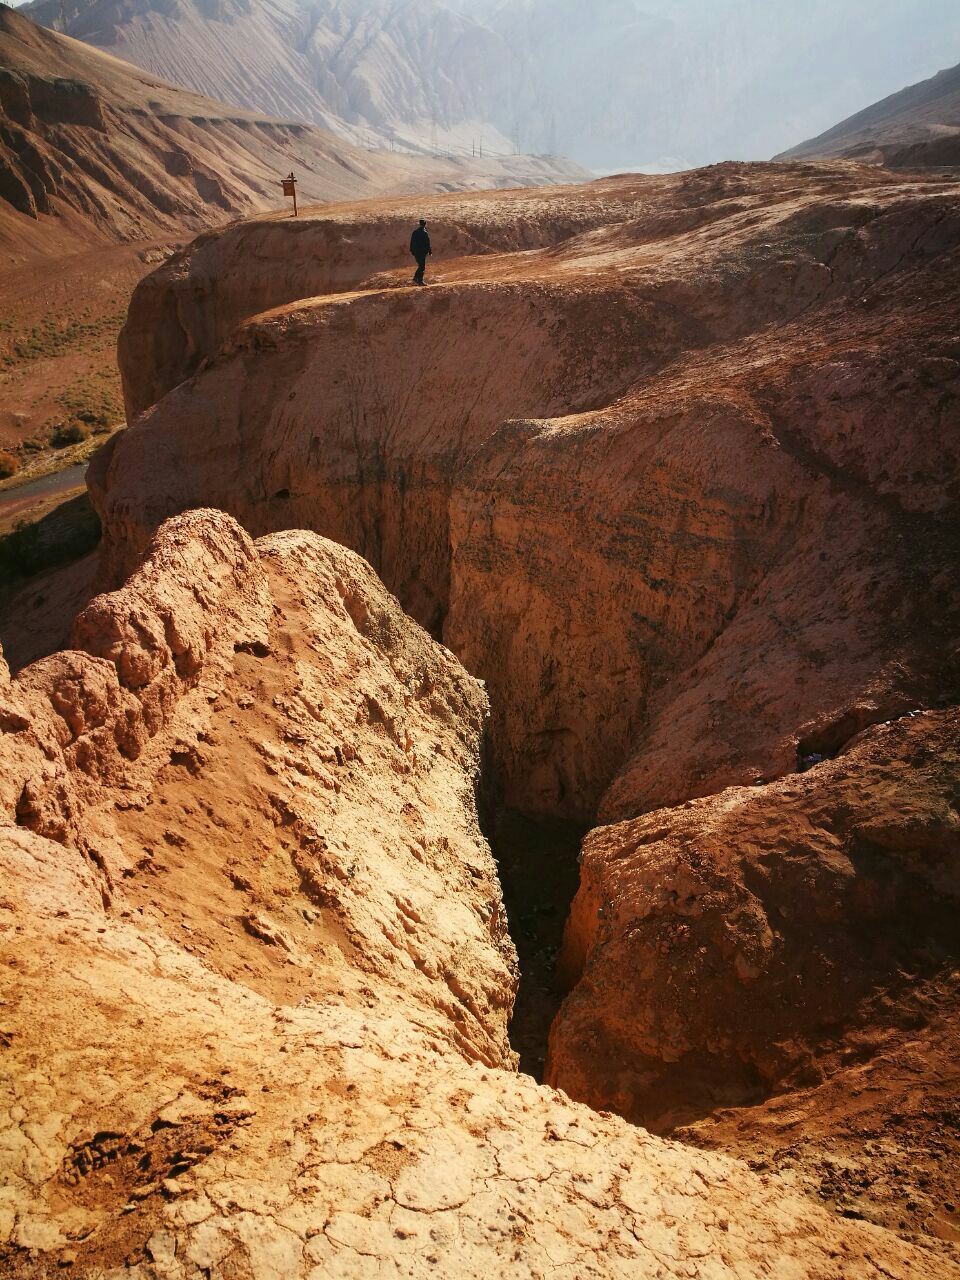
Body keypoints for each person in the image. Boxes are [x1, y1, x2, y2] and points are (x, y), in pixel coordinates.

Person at [410, 218, 431, 286]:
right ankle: (418, 279)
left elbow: (412, 242)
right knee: (422, 266)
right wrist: (429, 251)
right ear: (425, 224)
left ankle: (417, 279)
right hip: (422, 252)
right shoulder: (424, 232)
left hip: (416, 252)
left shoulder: (415, 232)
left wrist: (412, 250)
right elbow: (427, 243)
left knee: (421, 265)